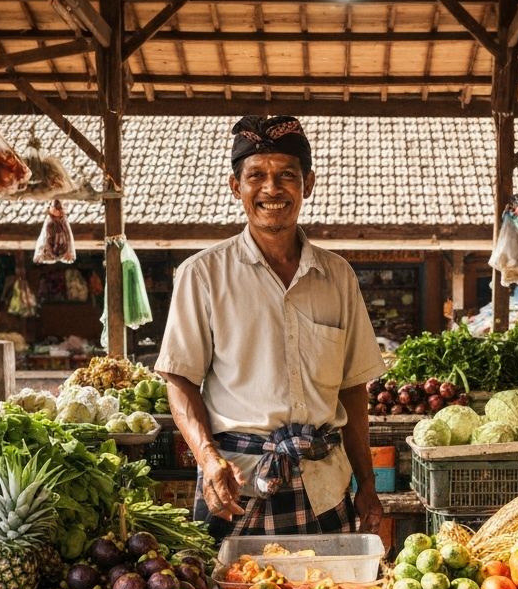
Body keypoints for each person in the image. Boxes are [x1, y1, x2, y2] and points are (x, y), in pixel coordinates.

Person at [156, 115, 388, 540]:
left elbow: (352, 389)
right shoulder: (202, 275)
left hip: (325, 486)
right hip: (235, 483)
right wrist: (209, 460)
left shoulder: (338, 277)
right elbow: (179, 380)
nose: (271, 189)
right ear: (236, 186)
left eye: (286, 176)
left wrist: (368, 484)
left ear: (308, 184)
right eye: (256, 176)